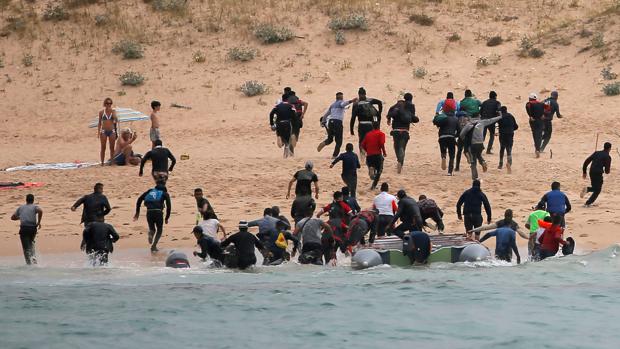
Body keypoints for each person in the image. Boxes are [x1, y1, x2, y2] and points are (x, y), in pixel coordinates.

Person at [460, 113, 503, 180]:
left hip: (472, 144)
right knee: (478, 155)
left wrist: (464, 139)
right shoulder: (482, 122)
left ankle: (475, 177)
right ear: (479, 116)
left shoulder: (468, 124)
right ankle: (483, 162)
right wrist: (500, 116)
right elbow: (491, 120)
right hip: (480, 143)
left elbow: (461, 134)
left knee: (473, 160)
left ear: (471, 117)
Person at [134, 181, 172, 252]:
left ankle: (151, 233)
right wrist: (167, 217)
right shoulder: (165, 193)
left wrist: (137, 212)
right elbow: (169, 206)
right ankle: (154, 246)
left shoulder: (150, 191)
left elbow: (139, 199)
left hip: (149, 212)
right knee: (159, 229)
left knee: (152, 229)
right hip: (158, 212)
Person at [387, 93, 419, 173]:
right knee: (402, 147)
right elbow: (413, 118)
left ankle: (398, 159)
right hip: (405, 130)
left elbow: (390, 114)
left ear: (404, 98)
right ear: (411, 99)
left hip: (395, 130)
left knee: (396, 146)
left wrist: (389, 119)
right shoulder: (411, 107)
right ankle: (400, 163)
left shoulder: (397, 105)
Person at [318, 92, 357, 158]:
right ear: (341, 97)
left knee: (330, 139)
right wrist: (352, 101)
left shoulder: (332, 105)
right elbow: (343, 104)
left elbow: (326, 115)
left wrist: (323, 121)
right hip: (337, 122)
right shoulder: (340, 103)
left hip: (331, 122)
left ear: (336, 97)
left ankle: (323, 143)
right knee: (339, 141)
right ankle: (334, 155)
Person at [350, 87, 383, 156]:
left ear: (359, 94)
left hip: (362, 124)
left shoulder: (356, 103)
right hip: (371, 124)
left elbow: (353, 117)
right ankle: (370, 153)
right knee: (371, 139)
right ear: (365, 94)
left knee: (361, 140)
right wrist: (379, 112)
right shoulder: (370, 100)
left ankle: (362, 155)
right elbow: (379, 103)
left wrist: (351, 129)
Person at [11, 194, 43, 265]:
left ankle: (29, 265)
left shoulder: (21, 208)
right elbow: (40, 211)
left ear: (26, 200)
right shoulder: (35, 207)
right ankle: (34, 260)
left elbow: (12, 217)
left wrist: (20, 217)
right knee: (31, 244)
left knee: (26, 249)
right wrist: (39, 222)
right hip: (33, 229)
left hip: (24, 229)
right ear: (33, 200)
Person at [581, 142, 612, 207]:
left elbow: (587, 161)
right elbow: (607, 171)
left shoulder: (596, 153)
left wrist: (584, 171)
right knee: (598, 190)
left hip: (591, 172)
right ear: (609, 149)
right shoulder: (608, 157)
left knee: (595, 188)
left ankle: (588, 193)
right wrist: (608, 171)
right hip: (598, 173)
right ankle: (588, 202)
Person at [433, 107, 459, 175]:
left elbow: (438, 125)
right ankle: (449, 172)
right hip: (451, 137)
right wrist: (455, 136)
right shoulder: (456, 119)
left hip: (442, 137)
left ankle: (443, 157)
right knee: (452, 155)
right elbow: (459, 130)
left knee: (443, 150)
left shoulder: (443, 118)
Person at [361, 122, 387, 190]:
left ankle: (371, 168)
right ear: (379, 126)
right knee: (379, 171)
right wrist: (384, 152)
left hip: (369, 156)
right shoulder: (381, 134)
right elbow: (381, 143)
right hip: (377, 155)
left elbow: (363, 145)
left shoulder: (368, 134)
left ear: (372, 127)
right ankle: (373, 186)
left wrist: (368, 150)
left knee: (371, 165)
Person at [497, 106, 518, 173]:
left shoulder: (500, 117)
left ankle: (500, 163)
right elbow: (516, 126)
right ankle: (509, 162)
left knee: (502, 148)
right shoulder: (511, 116)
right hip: (510, 133)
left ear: (501, 111)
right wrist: (511, 129)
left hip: (502, 134)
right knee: (509, 148)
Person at [97, 97, 118, 166]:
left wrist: (113, 113)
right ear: (105, 104)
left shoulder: (113, 111)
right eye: (107, 103)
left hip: (112, 130)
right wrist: (98, 132)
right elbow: (99, 122)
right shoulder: (101, 112)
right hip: (104, 131)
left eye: (110, 103)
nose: (109, 105)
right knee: (103, 147)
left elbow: (116, 120)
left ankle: (112, 162)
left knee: (112, 147)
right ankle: (102, 162)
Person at [526, 92, 545, 158]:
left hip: (533, 121)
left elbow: (528, 109)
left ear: (530, 98)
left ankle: (537, 148)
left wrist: (530, 116)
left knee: (535, 134)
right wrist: (543, 114)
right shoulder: (542, 104)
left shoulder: (529, 104)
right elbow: (548, 108)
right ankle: (538, 149)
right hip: (540, 121)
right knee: (539, 135)